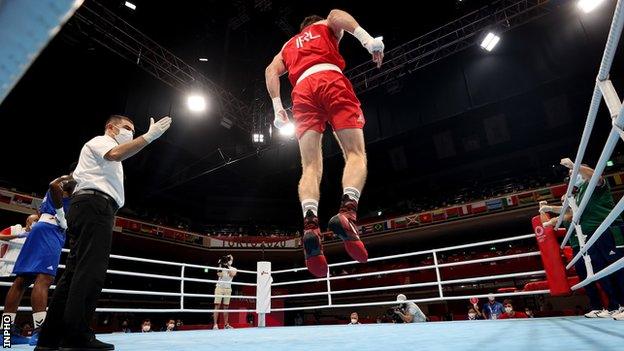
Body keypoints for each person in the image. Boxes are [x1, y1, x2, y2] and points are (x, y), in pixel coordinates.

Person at [35, 114, 172, 351]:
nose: (130, 131)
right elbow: (117, 153)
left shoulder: (102, 160)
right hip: (95, 207)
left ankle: (49, 339)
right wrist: (148, 137)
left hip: (87, 207)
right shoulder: (101, 141)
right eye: (127, 128)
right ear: (111, 127)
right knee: (90, 273)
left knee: (73, 274)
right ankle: (76, 336)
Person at [265, 9, 385, 277]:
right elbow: (336, 14)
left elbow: (270, 70)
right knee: (355, 154)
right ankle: (347, 213)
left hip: (302, 92)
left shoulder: (287, 46)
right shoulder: (325, 26)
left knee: (309, 167)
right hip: (329, 79)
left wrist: (276, 108)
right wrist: (367, 41)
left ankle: (310, 225)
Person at [542, 159, 624, 319]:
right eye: (571, 174)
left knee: (618, 268)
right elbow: (572, 212)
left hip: (607, 229)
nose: (572, 175)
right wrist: (551, 208)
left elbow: (597, 176)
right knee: (603, 272)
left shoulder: (593, 183)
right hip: (592, 236)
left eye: (575, 173)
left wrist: (575, 165)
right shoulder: (579, 193)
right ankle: (618, 305)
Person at [2, 173, 75, 346]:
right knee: (44, 279)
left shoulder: (70, 183)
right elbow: (53, 185)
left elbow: (42, 210)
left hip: (41, 228)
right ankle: (39, 332)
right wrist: (61, 216)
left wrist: (40, 216)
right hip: (51, 231)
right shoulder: (74, 179)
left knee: (21, 281)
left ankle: (5, 333)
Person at [213, 254, 237, 330]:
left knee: (226, 307)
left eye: (231, 259)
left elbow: (232, 274)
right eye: (229, 258)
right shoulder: (220, 267)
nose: (230, 260)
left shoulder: (234, 268)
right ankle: (215, 325)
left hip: (228, 289)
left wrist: (227, 267)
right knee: (217, 306)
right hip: (219, 287)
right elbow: (219, 274)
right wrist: (220, 265)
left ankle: (226, 325)